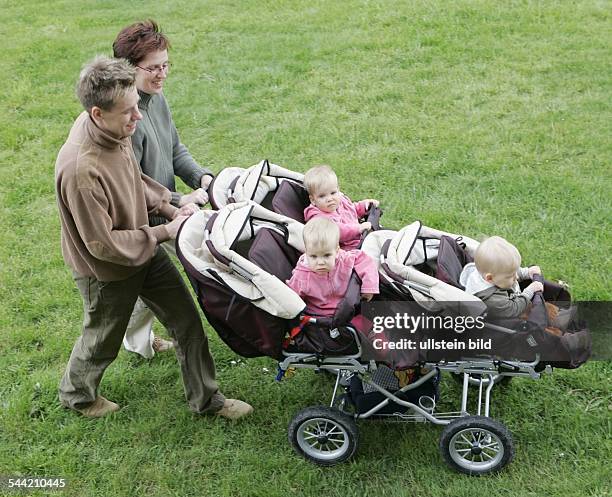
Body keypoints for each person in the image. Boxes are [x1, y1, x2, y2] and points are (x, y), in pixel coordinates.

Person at [55, 55, 252, 419]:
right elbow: (104, 245)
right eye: (128, 112)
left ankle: (207, 400)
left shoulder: (116, 129)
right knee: (102, 338)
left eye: (136, 107)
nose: (139, 116)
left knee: (186, 321)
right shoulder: (82, 170)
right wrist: (165, 231)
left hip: (143, 246)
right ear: (97, 114)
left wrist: (170, 206)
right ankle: (78, 396)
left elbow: (135, 178)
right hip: (106, 269)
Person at [112, 20, 215, 358]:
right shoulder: (125, 117)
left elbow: (174, 149)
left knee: (150, 283)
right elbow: (131, 182)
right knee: (202, 259)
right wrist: (176, 200)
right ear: (128, 70)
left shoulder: (157, 99)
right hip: (146, 217)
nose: (162, 74)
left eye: (165, 65)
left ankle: (135, 340)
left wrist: (202, 179)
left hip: (168, 208)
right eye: (153, 68)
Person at [286, 217, 379, 317]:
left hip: (349, 306)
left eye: (326, 255)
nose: (320, 262)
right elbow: (292, 299)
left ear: (336, 250)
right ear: (306, 252)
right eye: (313, 256)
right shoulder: (302, 276)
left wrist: (369, 287)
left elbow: (364, 260)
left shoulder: (343, 259)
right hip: (321, 316)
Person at [459, 236, 544, 320]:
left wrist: (526, 272)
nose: (516, 277)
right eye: (511, 276)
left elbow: (508, 271)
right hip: (502, 322)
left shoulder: (494, 274)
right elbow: (514, 309)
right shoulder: (492, 299)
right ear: (490, 278)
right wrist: (529, 292)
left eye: (515, 272)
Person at [303, 165, 379, 250]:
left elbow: (351, 210)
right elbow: (337, 231)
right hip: (348, 250)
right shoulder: (318, 218)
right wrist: (358, 229)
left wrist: (364, 206)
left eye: (333, 193)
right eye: (322, 196)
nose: (329, 199)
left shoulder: (340, 201)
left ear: (338, 190)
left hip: (362, 238)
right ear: (313, 200)